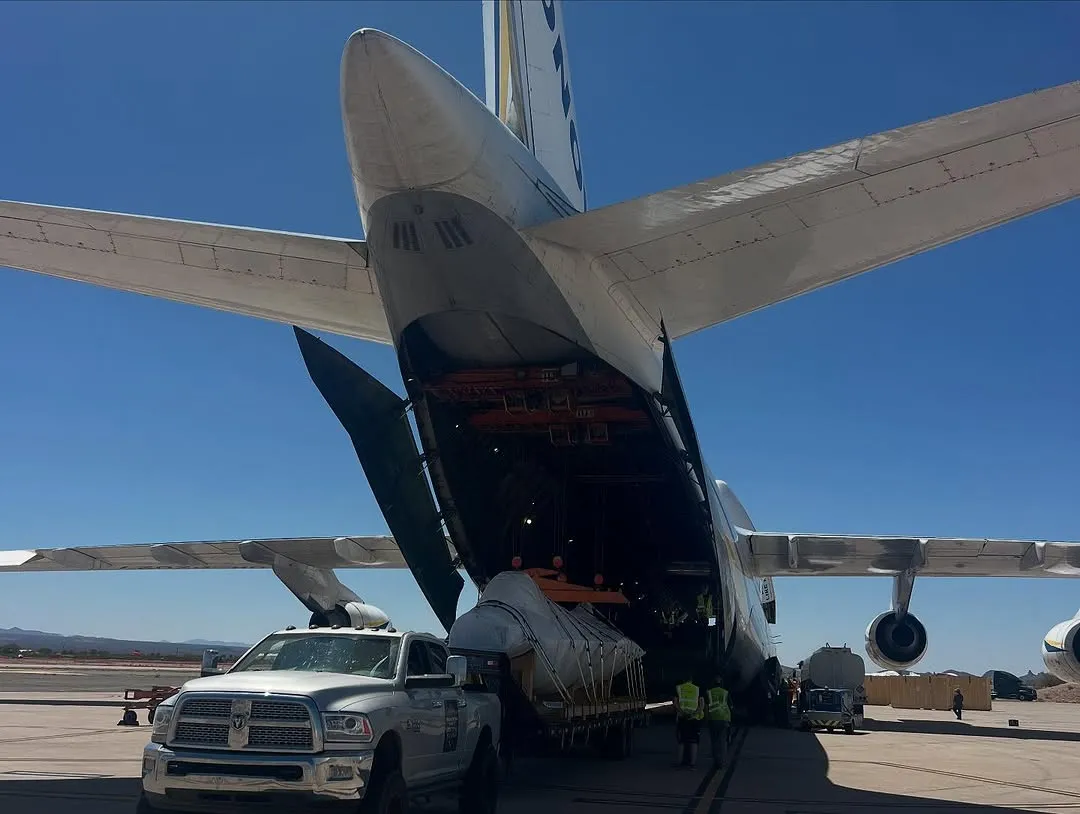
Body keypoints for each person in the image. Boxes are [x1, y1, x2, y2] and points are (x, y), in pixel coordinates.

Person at [674, 675, 704, 768]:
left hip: (683, 717)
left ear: (684, 680)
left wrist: (682, 712)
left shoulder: (679, 688)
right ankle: (692, 763)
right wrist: (694, 714)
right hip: (693, 719)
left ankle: (679, 763)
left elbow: (675, 703)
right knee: (693, 741)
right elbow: (701, 705)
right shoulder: (697, 689)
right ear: (691, 680)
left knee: (681, 741)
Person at [705, 675, 732, 769]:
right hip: (724, 718)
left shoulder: (709, 692)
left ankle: (716, 760)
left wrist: (706, 717)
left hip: (712, 718)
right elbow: (731, 706)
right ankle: (722, 762)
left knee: (714, 741)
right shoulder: (726, 693)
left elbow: (706, 706)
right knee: (723, 741)